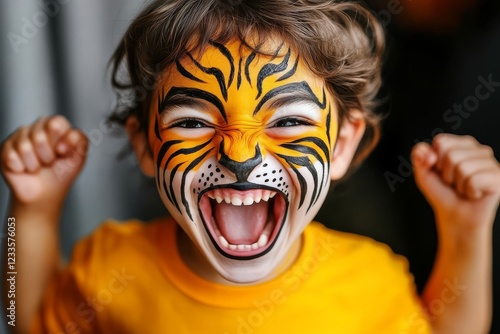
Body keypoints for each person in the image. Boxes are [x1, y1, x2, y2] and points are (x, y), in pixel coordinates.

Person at [1, 0, 499, 333]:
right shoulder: (111, 269)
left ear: (343, 145)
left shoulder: (366, 280)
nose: (240, 155)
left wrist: (466, 231)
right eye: (193, 122)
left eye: (287, 120)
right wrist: (30, 210)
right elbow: (21, 317)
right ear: (148, 148)